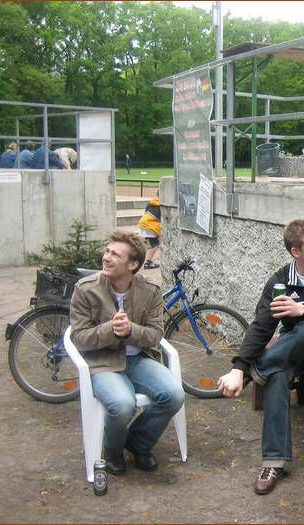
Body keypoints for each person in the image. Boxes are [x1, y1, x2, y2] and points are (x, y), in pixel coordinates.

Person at [217, 219, 304, 495]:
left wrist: (303, 310)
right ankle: (274, 462)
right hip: (293, 352)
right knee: (278, 374)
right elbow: (262, 326)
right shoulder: (280, 282)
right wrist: (240, 364)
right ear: (296, 252)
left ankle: (254, 371)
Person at [69, 231, 185, 476]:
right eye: (107, 251)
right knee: (122, 404)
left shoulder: (150, 290)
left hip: (139, 359)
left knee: (174, 395)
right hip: (103, 363)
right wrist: (110, 330)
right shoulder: (86, 289)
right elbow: (78, 338)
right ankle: (113, 451)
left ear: (132, 265)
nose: (106, 257)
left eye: (115, 254)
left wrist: (131, 330)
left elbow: (155, 334)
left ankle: (138, 443)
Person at [137, 194, 162, 269]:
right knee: (155, 244)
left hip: (143, 222)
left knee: (140, 244)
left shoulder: (152, 201)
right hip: (151, 226)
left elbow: (146, 211)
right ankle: (148, 263)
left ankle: (133, 258)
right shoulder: (162, 204)